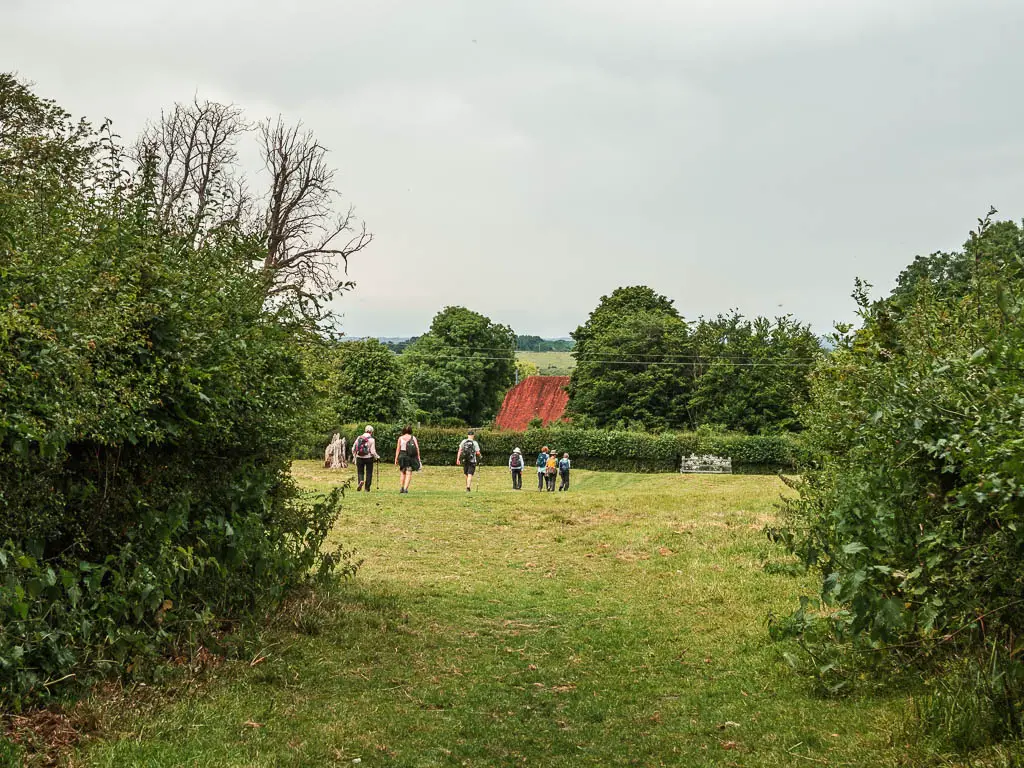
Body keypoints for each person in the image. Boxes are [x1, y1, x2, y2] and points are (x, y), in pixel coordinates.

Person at [394, 425, 420, 494]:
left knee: (402, 472)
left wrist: (396, 458)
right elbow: (417, 448)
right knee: (408, 473)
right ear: (410, 430)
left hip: (402, 455)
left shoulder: (400, 438)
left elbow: (398, 449)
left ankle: (401, 488)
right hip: (410, 456)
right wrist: (418, 457)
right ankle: (405, 489)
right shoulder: (413, 438)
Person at [353, 425, 379, 491]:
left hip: (359, 457)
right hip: (368, 458)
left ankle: (360, 482)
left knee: (360, 471)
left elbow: (353, 448)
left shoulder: (359, 438)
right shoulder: (372, 440)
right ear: (371, 432)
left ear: (365, 430)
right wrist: (377, 457)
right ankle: (367, 488)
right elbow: (373, 452)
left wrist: (355, 455)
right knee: (369, 472)